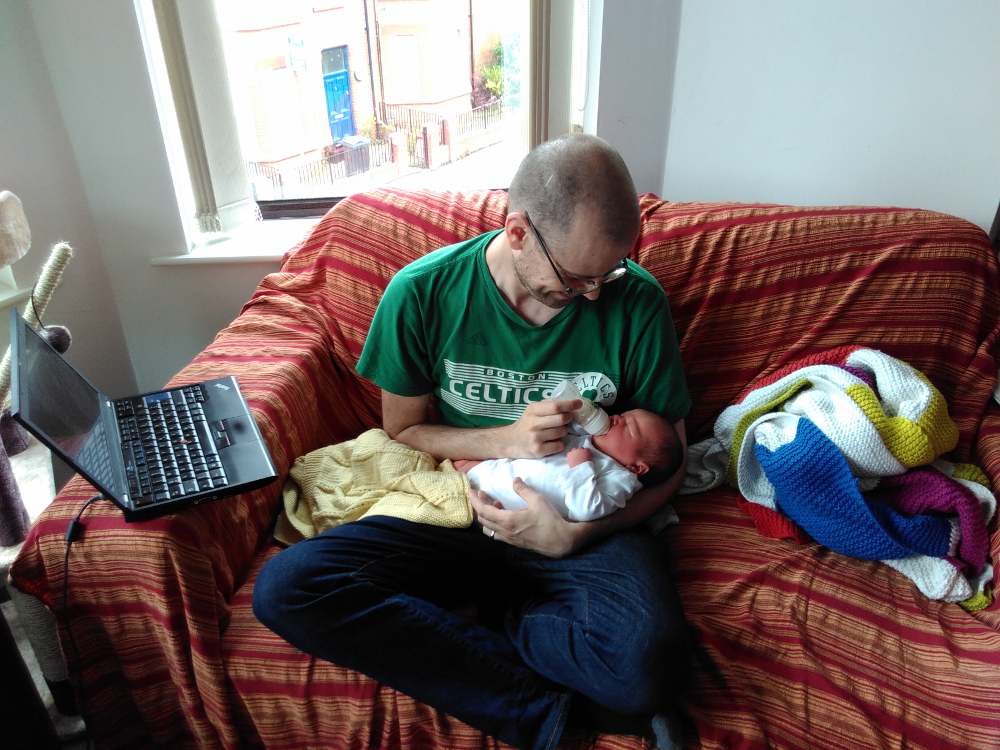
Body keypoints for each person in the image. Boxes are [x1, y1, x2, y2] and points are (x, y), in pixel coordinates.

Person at [253, 133, 693, 750]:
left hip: (578, 521)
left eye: (609, 272)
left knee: (650, 665)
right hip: (464, 511)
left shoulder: (636, 302)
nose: (596, 293)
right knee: (288, 589)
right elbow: (402, 429)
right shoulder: (423, 291)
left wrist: (575, 537)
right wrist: (506, 439)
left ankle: (507, 611)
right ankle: (549, 714)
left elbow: (671, 461)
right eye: (578, 277)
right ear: (518, 232)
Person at [455, 408, 683, 522]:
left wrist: (581, 468)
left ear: (636, 468)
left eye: (627, 428)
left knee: (469, 491)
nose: (616, 419)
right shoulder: (595, 441)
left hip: (508, 501)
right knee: (469, 469)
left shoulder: (620, 478)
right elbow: (570, 430)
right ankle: (472, 472)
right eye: (622, 415)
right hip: (506, 468)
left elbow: (587, 510)